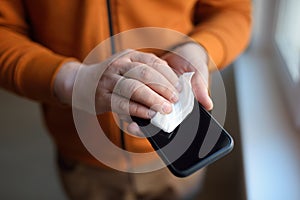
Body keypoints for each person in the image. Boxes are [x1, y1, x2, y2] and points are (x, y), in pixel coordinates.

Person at [0, 0, 252, 199]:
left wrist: (201, 48)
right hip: (84, 155)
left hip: (181, 147)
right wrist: (71, 80)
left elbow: (233, 10)